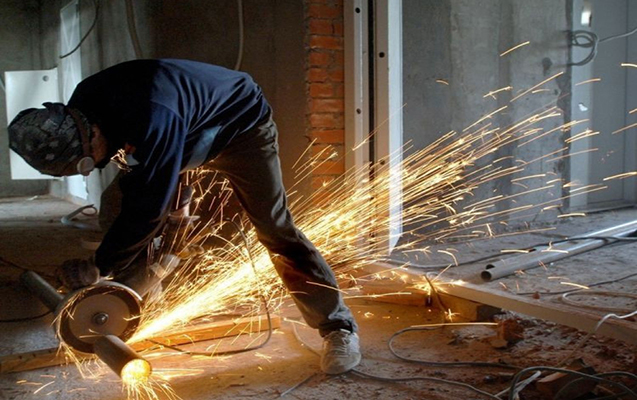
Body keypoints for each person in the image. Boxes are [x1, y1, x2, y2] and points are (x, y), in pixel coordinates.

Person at [7, 59, 360, 374]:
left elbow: (148, 209)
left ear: (91, 132)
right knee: (115, 203)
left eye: (87, 162)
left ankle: (337, 327)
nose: (92, 168)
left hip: (240, 126)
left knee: (274, 227)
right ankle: (133, 298)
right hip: (178, 126)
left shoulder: (152, 115)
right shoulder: (84, 104)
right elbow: (139, 183)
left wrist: (99, 264)